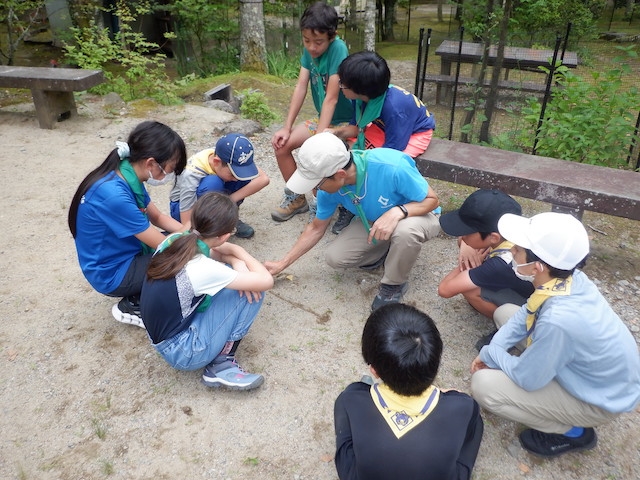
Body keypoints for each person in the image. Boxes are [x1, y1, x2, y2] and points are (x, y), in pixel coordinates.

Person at [470, 212, 640, 458]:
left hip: (597, 398)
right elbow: (526, 312)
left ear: (538, 266)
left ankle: (574, 433)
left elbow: (527, 379)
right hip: (591, 369)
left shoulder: (558, 321)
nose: (511, 252)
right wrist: (496, 350)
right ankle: (535, 364)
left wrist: (490, 354)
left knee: (484, 386)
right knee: (505, 314)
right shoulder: (568, 276)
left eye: (517, 249)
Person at [265, 132, 441, 311]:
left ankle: (394, 285)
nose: (314, 189)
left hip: (418, 214)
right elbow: (316, 228)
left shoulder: (391, 165)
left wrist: (399, 211)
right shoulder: (328, 189)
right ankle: (389, 251)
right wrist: (282, 263)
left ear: (340, 173)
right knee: (336, 257)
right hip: (375, 219)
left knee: (405, 232)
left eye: (317, 183)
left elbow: (432, 200)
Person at [334, 303, 484, 479]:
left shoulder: (353, 399)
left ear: (374, 370)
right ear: (435, 364)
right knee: (475, 422)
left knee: (345, 402)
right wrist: (448, 396)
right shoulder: (462, 406)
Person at [140, 192, 273, 390]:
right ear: (226, 235)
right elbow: (265, 280)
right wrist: (240, 253)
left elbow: (217, 252)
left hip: (161, 335)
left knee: (235, 277)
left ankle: (216, 355)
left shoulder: (177, 239)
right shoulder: (203, 268)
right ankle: (221, 365)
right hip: (183, 351)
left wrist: (235, 262)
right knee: (252, 292)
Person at [68, 120, 187, 328]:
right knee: (181, 261)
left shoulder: (127, 175)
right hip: (112, 272)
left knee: (182, 247)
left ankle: (143, 291)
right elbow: (163, 245)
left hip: (123, 253)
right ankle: (135, 303)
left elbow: (158, 218)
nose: (168, 175)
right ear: (151, 163)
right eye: (169, 169)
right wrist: (203, 247)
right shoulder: (113, 194)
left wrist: (191, 232)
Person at [270, 1, 353, 224]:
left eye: (318, 42)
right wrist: (286, 127)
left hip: (346, 121)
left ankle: (335, 205)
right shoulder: (309, 51)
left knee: (330, 160)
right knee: (282, 145)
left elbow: (332, 97)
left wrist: (319, 140)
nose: (312, 47)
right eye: (307, 41)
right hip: (322, 119)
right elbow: (300, 87)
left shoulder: (339, 49)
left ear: (332, 36)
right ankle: (298, 198)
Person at [437, 189, 534, 349]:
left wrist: (465, 265)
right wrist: (466, 247)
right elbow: (466, 241)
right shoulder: (515, 234)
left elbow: (445, 289)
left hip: (538, 310)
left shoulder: (500, 264)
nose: (462, 236)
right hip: (536, 293)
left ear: (494, 237)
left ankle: (510, 329)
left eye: (467, 232)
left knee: (470, 289)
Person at [169, 133, 269, 239]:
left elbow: (263, 179)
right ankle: (205, 228)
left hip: (213, 201)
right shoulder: (190, 174)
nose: (236, 178)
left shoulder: (229, 156)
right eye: (232, 173)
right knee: (213, 182)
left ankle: (224, 218)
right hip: (182, 209)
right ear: (216, 162)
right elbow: (185, 218)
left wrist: (226, 203)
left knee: (244, 176)